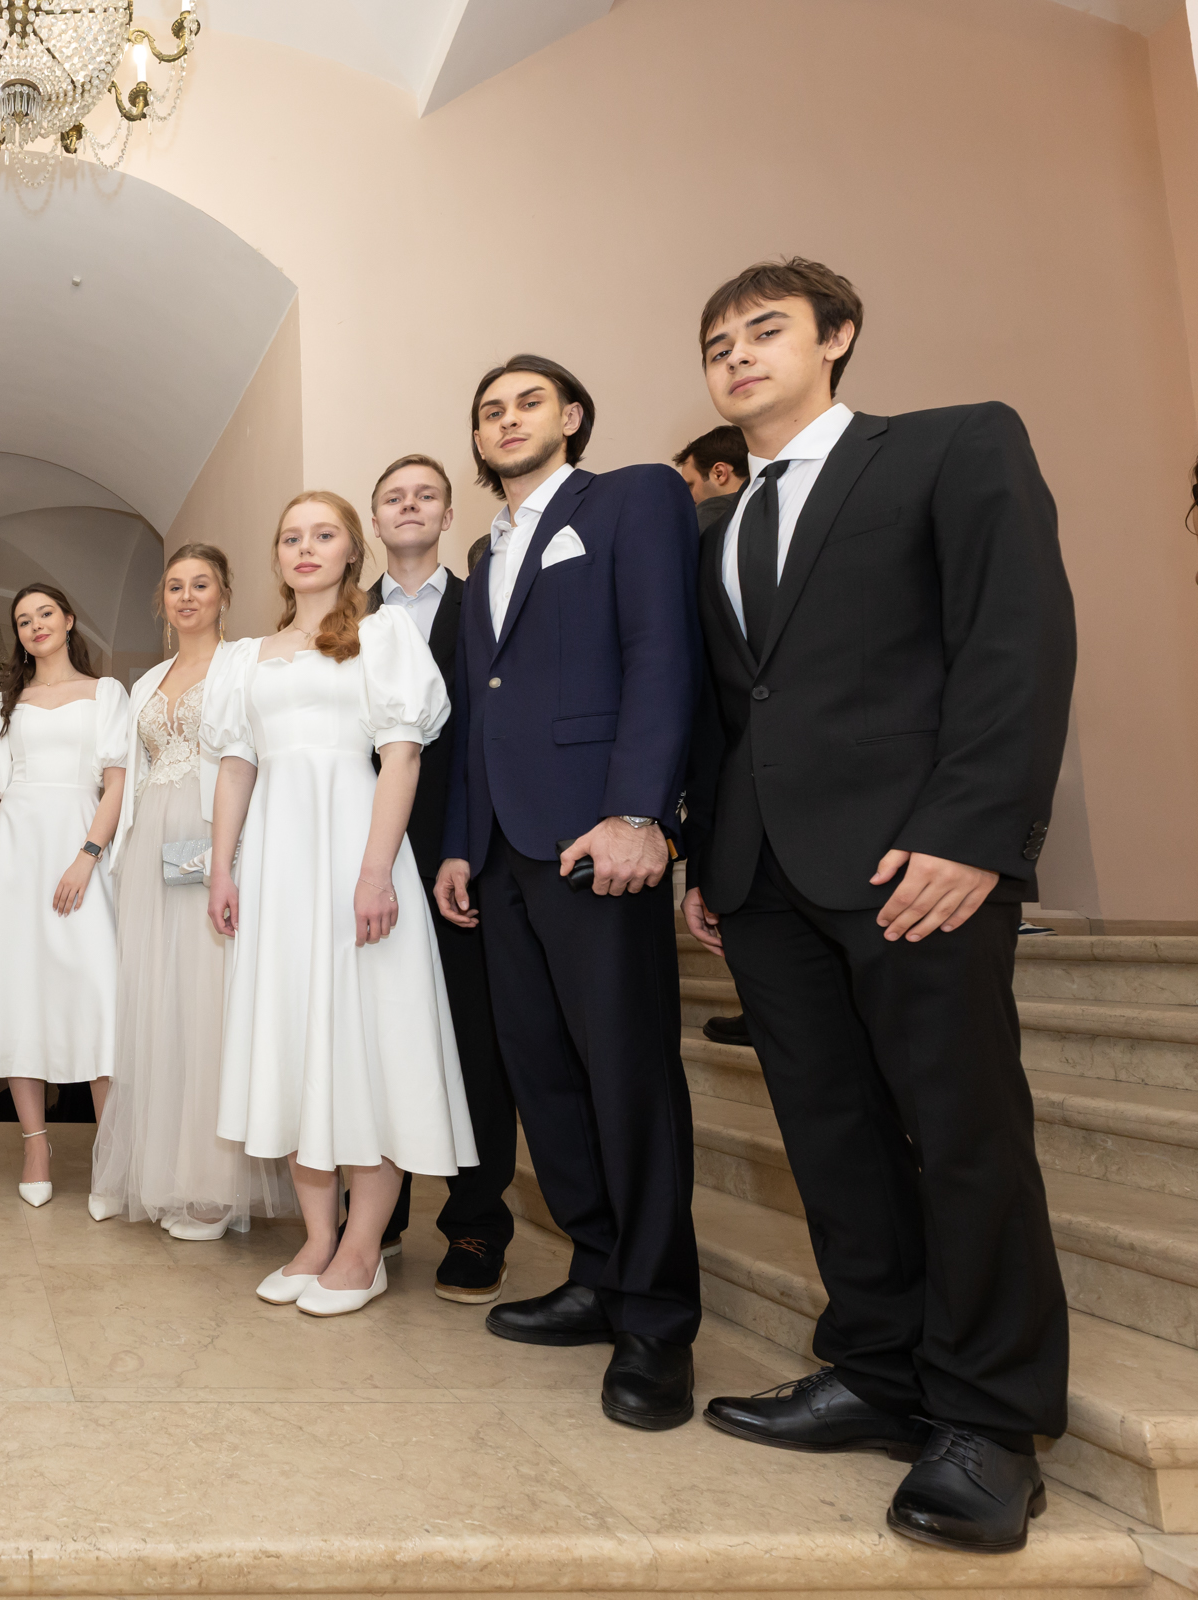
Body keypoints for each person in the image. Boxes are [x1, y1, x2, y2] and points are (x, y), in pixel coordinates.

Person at [681, 258, 1074, 1555]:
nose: (738, 356)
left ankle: (991, 1419)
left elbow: (1015, 640)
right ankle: (878, 1368)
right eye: (718, 344)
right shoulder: (719, 527)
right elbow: (736, 710)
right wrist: (710, 861)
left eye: (766, 330)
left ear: (838, 336)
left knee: (961, 1132)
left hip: (919, 862)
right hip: (766, 879)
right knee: (831, 1135)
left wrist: (976, 833)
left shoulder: (953, 447)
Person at [432, 355, 703, 1429]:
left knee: (628, 1077)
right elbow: (479, 709)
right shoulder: (483, 551)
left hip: (599, 838)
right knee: (543, 1077)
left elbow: (662, 655)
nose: (506, 420)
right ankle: (596, 1273)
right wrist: (461, 844)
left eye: (528, 403)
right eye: (489, 410)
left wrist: (642, 811)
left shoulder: (631, 498)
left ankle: (658, 1321)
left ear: (572, 416)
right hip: (503, 852)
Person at [205, 492, 475, 1318]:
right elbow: (236, 767)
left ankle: (364, 1248)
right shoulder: (244, 658)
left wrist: (375, 873)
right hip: (276, 864)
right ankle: (318, 1238)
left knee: (365, 1044)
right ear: (277, 556)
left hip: (355, 850)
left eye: (324, 534)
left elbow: (402, 758)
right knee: (292, 1040)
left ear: (353, 550)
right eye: (292, 536)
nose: (306, 547)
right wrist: (222, 870)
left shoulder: (383, 635)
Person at [87, 546, 293, 1237]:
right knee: (161, 1005)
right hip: (152, 846)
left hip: (211, 837)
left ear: (225, 594)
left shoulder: (247, 663)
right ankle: (165, 1173)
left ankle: (214, 1186)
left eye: (200, 584)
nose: (186, 596)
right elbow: (130, 771)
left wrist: (233, 851)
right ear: (162, 601)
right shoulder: (148, 681)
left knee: (209, 1002)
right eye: (174, 586)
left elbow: (254, 757)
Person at [360, 454, 515, 1302]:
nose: (410, 506)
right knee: (373, 1037)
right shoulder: (345, 620)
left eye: (426, 495)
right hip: (365, 856)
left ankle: (477, 1222)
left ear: (449, 515)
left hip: (463, 852)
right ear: (375, 519)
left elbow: (493, 733)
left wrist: (466, 845)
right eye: (394, 497)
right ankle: (378, 1216)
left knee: (471, 1043)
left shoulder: (486, 604)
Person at [0, 583, 131, 1207]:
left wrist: (87, 855)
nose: (35, 626)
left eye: (45, 613)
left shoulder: (107, 693)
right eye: (23, 620)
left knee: (97, 996)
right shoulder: (5, 704)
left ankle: (112, 1155)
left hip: (81, 851)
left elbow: (117, 783)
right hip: (14, 859)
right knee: (19, 996)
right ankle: (34, 1144)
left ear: (69, 619)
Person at [668, 427, 756, 1049]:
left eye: (690, 483)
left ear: (720, 474)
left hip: (729, 749)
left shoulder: (711, 526)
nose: (688, 498)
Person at [675, 425, 752, 537]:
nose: (689, 497)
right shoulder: (771, 504)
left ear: (719, 473)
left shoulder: (710, 512)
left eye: (690, 486)